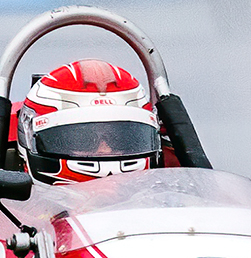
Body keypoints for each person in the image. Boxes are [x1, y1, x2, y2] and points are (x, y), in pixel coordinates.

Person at [17, 59, 162, 184]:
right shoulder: (8, 210)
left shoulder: (166, 198)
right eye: (84, 139)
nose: (105, 150)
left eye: (121, 138)